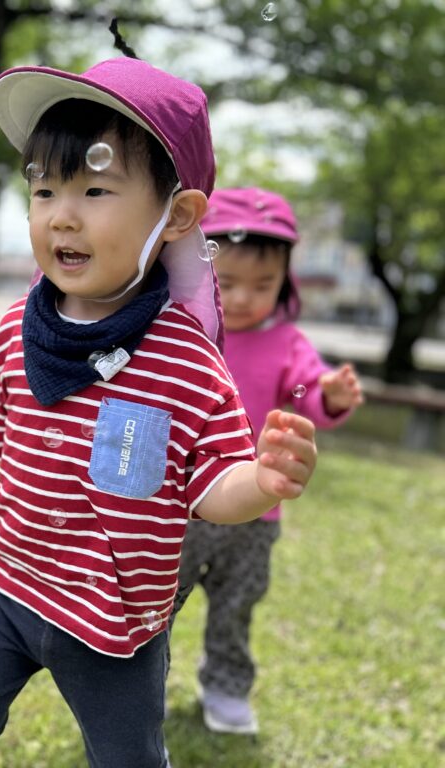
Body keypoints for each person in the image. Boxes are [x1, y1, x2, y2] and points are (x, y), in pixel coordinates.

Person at [0, 57, 319, 768]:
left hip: (114, 623)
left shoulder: (186, 361)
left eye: (96, 189)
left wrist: (263, 481)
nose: (62, 213)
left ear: (178, 216)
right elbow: (9, 447)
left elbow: (210, 485)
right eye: (44, 189)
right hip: (6, 587)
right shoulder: (16, 329)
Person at [170, 187, 364, 735]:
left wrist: (328, 393)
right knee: (154, 604)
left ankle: (227, 687)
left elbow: (306, 390)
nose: (242, 298)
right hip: (183, 504)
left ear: (285, 282)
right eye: (227, 281)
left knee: (236, 604)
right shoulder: (181, 331)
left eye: (263, 285)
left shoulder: (286, 342)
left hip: (255, 513)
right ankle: (137, 687)